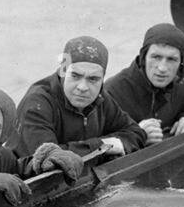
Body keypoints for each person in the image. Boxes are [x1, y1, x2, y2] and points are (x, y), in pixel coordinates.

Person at [8, 35, 147, 181]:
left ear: (102, 79)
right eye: (75, 76)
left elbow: (136, 133)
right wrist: (104, 145)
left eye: (93, 79)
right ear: (62, 70)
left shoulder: (101, 98)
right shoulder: (37, 103)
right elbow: (50, 160)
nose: (83, 87)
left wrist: (105, 146)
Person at [103, 24, 184, 143]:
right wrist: (135, 135)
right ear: (144, 58)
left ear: (181, 63)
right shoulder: (112, 91)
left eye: (171, 59)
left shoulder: (178, 86)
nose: (162, 68)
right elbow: (94, 143)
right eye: (156, 57)